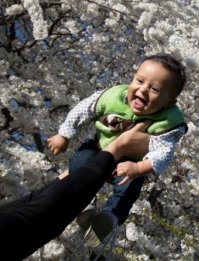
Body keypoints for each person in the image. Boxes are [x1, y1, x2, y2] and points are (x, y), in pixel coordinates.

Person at [46, 53, 187, 246]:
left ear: (168, 103)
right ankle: (83, 203)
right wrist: (64, 134)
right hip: (98, 148)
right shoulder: (113, 97)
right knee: (80, 163)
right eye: (139, 81)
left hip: (131, 163)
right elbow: (83, 109)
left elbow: (164, 152)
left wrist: (138, 169)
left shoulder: (166, 121)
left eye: (154, 89)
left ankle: (109, 218)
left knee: (129, 189)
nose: (143, 90)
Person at [0, 123, 151, 260]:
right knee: (44, 216)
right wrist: (118, 148)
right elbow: (42, 214)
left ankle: (102, 210)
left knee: (44, 203)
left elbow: (36, 200)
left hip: (97, 157)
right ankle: (109, 213)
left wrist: (65, 138)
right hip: (110, 149)